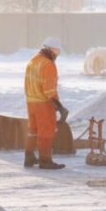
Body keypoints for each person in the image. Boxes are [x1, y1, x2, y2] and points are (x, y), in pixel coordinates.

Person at [24, 36, 69, 170]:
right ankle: (45, 161)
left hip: (31, 102)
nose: (56, 55)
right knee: (46, 132)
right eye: (56, 52)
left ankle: (29, 156)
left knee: (33, 130)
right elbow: (49, 89)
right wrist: (59, 107)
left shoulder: (32, 62)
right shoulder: (47, 64)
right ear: (49, 50)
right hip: (43, 103)